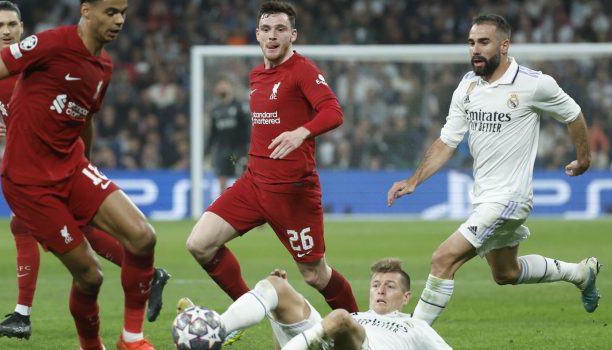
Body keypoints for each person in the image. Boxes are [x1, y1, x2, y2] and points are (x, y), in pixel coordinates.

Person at [0, 1, 159, 349]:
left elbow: (84, 118)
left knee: (144, 237)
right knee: (90, 276)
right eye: (110, 12)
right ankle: (90, 345)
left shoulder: (103, 67)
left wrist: (86, 165)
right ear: (86, 10)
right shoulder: (50, 44)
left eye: (123, 12)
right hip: (28, 182)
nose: (118, 20)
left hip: (71, 167)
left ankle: (132, 338)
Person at [386, 14, 600, 326]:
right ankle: (580, 272)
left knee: (443, 259)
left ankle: (411, 337)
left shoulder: (533, 83)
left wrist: (583, 159)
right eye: (471, 43)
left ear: (504, 45)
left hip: (510, 198)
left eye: (483, 42)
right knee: (506, 273)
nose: (475, 49)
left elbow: (573, 113)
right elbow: (448, 140)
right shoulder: (467, 86)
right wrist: (414, 180)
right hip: (484, 197)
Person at [186, 0, 359, 321]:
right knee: (200, 244)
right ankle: (250, 309)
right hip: (253, 184)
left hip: (292, 192)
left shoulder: (303, 71)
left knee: (315, 275)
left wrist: (302, 132)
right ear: (257, 35)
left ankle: (363, 329)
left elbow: (334, 112)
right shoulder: (256, 76)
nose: (273, 36)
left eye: (280, 29)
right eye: (266, 29)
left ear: (293, 34)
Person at [179, 259, 451, 349]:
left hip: (353, 342)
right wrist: (276, 314)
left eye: (390, 286)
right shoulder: (357, 316)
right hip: (326, 340)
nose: (380, 290)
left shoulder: (415, 326)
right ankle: (215, 330)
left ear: (405, 298)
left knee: (341, 318)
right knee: (276, 286)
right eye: (376, 284)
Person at [206, 77, 250, 194]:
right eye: (219, 85)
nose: (221, 87)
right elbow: (213, 132)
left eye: (224, 84)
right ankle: (222, 209)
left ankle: (242, 204)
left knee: (239, 175)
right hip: (222, 151)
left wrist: (247, 148)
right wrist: (207, 150)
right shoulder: (216, 110)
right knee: (222, 178)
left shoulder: (239, 106)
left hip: (236, 151)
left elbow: (247, 128)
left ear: (230, 87)